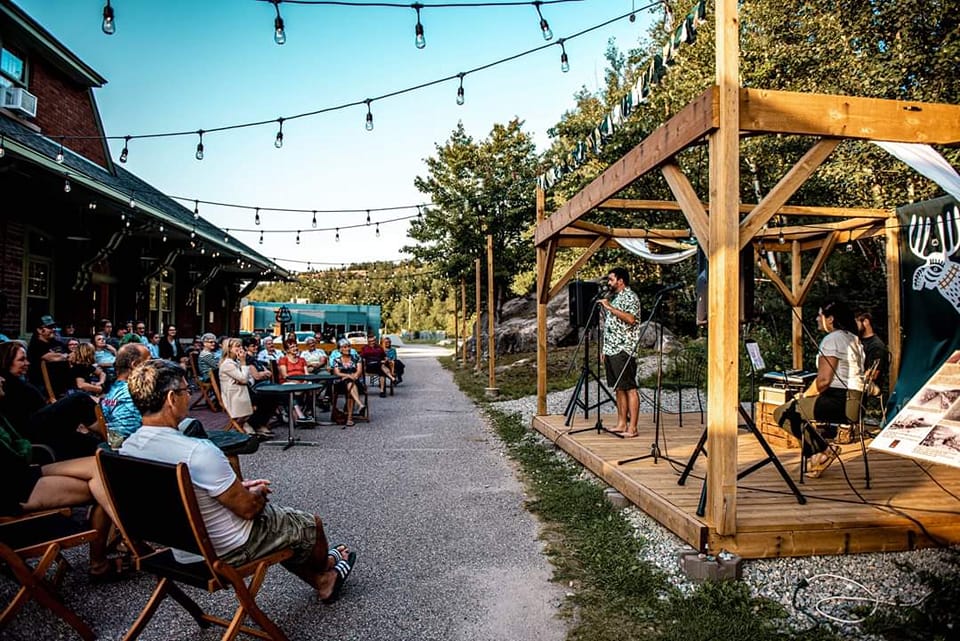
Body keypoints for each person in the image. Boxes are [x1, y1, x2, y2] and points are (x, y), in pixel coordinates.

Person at [121, 359, 356, 601]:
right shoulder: (198, 451)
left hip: (179, 549)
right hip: (225, 549)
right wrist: (258, 493)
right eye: (185, 391)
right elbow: (249, 509)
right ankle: (325, 571)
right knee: (309, 525)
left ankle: (322, 576)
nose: (188, 396)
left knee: (282, 525)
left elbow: (188, 496)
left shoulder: (128, 449)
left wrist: (234, 488)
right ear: (171, 398)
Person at [0, 375, 121, 582]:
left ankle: (121, 542)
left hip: (22, 474)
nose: (2, 379)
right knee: (107, 484)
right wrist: (23, 449)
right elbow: (17, 454)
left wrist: (23, 449)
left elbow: (20, 446)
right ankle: (108, 557)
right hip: (13, 490)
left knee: (103, 467)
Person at [774, 300, 865, 478]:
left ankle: (824, 451)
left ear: (830, 319)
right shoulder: (853, 338)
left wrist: (802, 396)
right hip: (856, 401)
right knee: (799, 411)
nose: (817, 319)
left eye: (820, 315)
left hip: (841, 400)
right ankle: (818, 457)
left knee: (784, 412)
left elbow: (823, 380)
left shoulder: (832, 339)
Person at [0, 341, 99, 460]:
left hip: (41, 425)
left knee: (91, 443)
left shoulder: (18, 383)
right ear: (6, 361)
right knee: (79, 399)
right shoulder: (5, 383)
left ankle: (107, 443)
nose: (27, 363)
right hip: (29, 432)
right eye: (21, 360)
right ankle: (109, 435)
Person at [598, 268, 641, 438]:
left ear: (620, 281)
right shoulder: (615, 298)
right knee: (618, 387)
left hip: (625, 349)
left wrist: (609, 307)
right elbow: (611, 327)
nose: (609, 283)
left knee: (629, 387)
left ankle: (633, 427)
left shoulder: (631, 297)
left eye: (611, 279)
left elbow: (631, 319)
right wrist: (604, 349)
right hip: (611, 349)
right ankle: (622, 423)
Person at [99, 343, 151, 440]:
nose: (152, 367)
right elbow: (125, 439)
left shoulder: (114, 389)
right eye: (148, 362)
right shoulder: (130, 396)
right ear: (135, 365)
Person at [241, 336, 278, 438]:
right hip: (253, 388)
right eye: (253, 346)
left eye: (256, 345)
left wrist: (263, 373)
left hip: (261, 385)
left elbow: (267, 373)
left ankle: (260, 423)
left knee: (275, 395)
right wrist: (263, 373)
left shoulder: (255, 358)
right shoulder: (247, 359)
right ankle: (256, 423)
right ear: (246, 347)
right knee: (275, 395)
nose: (255, 348)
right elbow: (256, 376)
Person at [218, 338, 256, 434]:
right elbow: (244, 378)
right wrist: (243, 362)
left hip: (241, 391)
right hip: (234, 395)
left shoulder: (235, 362)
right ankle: (240, 429)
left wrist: (244, 380)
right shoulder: (227, 364)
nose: (241, 348)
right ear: (229, 348)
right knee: (261, 401)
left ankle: (248, 427)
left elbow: (249, 378)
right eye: (237, 346)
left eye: (241, 346)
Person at [26, 314, 66, 387]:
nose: (53, 329)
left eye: (54, 327)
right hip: (41, 385)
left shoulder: (56, 342)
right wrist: (65, 356)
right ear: (39, 330)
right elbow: (51, 358)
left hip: (60, 383)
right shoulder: (35, 345)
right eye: (50, 327)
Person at [331, 343, 365, 426]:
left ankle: (350, 417)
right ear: (340, 350)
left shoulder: (356, 358)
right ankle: (359, 405)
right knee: (349, 384)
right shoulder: (337, 360)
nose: (348, 349)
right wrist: (348, 375)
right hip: (341, 383)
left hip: (355, 381)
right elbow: (337, 373)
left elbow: (359, 371)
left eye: (349, 346)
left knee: (350, 385)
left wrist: (355, 376)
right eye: (345, 347)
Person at [856, 311, 887, 390]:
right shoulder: (856, 341)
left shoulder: (876, 345)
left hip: (868, 387)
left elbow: (873, 374)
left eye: (856, 322)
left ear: (866, 322)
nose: (855, 326)